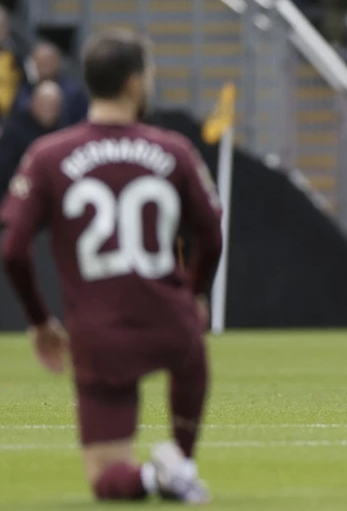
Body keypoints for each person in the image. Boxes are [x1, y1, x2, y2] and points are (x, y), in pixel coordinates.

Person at [0, 29, 223, 502]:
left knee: (106, 480)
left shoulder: (47, 155)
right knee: (189, 361)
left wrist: (41, 322)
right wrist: (195, 295)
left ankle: (154, 477)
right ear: (134, 84)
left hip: (98, 331)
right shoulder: (174, 149)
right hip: (171, 320)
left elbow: (13, 249)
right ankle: (178, 464)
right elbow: (211, 231)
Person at [0, 80, 62, 199]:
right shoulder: (15, 128)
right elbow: (3, 168)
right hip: (16, 193)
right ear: (33, 102)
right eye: (45, 104)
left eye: (54, 106)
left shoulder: (63, 131)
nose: (49, 110)